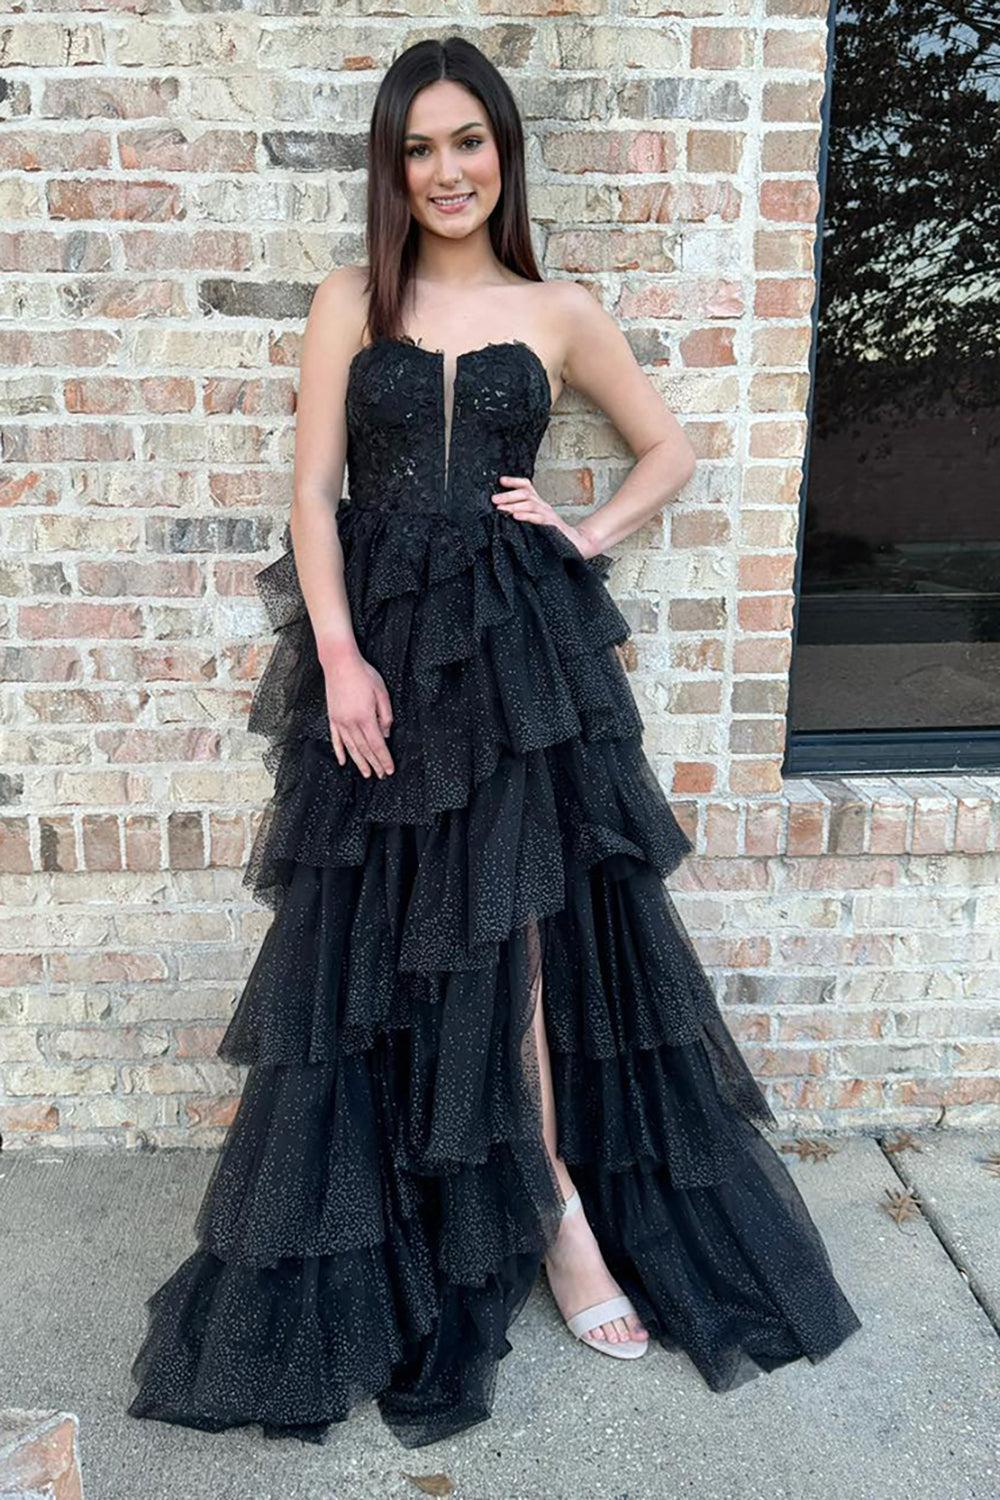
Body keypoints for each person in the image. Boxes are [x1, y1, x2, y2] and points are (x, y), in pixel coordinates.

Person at [127, 34, 861, 1449]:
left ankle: (559, 1212)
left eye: (468, 141)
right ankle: (429, 1191)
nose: (447, 170)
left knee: (515, 936)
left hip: (517, 658)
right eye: (420, 147)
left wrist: (581, 533)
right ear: (392, 166)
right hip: (386, 656)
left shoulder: (560, 309)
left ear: (503, 154)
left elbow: (670, 449)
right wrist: (339, 655)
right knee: (377, 936)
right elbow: (314, 494)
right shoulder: (353, 301)